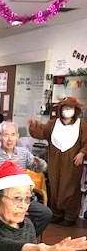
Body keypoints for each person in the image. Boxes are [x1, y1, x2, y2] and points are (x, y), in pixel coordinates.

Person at [0, 121, 52, 236]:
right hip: (3, 198)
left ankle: (26, 238)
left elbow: (41, 168)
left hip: (23, 197)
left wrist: (40, 163)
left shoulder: (23, 152)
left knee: (45, 214)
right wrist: (5, 166)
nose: (10, 139)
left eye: (13, 135)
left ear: (17, 136)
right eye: (6, 135)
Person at [28, 97, 87, 226]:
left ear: (75, 110)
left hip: (72, 163)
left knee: (70, 188)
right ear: (60, 109)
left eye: (70, 108)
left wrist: (82, 153)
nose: (67, 110)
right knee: (54, 186)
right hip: (55, 161)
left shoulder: (81, 125)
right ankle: (56, 213)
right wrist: (34, 126)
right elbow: (41, 132)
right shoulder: (53, 124)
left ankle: (70, 216)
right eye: (65, 108)